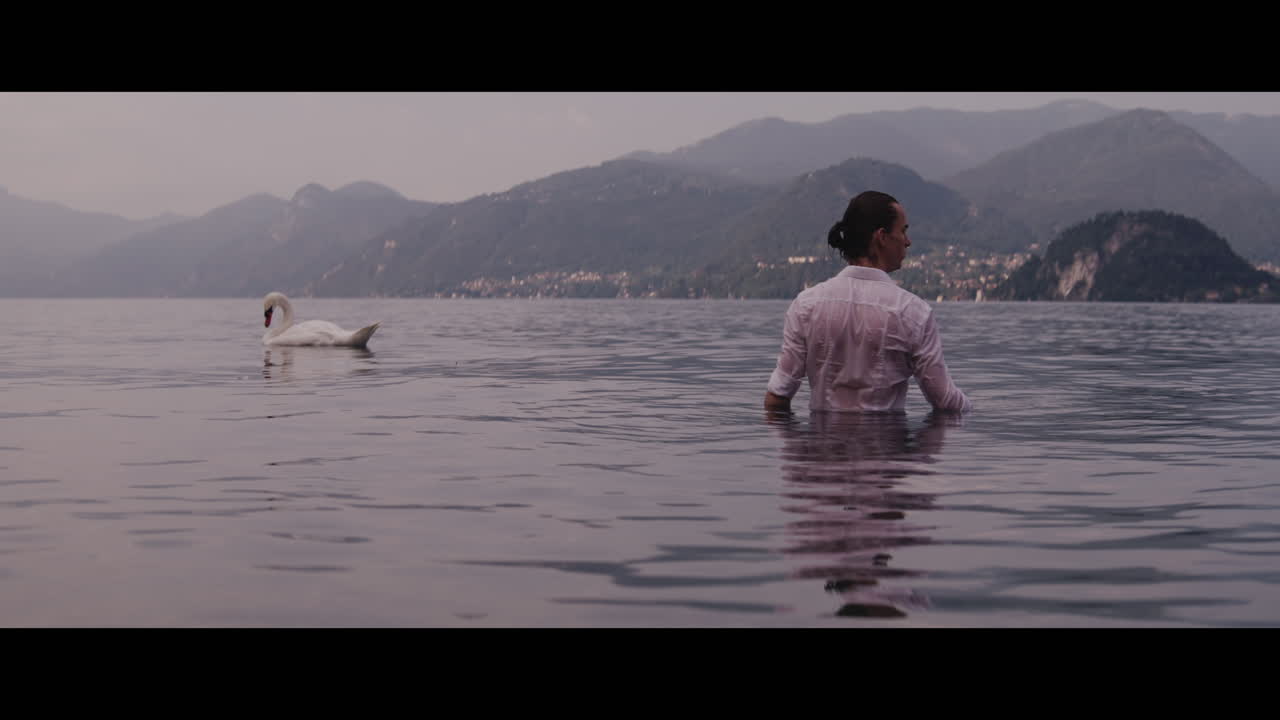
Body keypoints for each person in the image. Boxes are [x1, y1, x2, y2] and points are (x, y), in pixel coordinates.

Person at [764, 190, 971, 414]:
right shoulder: (913, 312)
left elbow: (777, 399)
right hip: (887, 444)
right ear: (881, 237)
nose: (908, 242)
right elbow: (946, 402)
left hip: (820, 445)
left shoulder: (806, 305)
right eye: (903, 231)